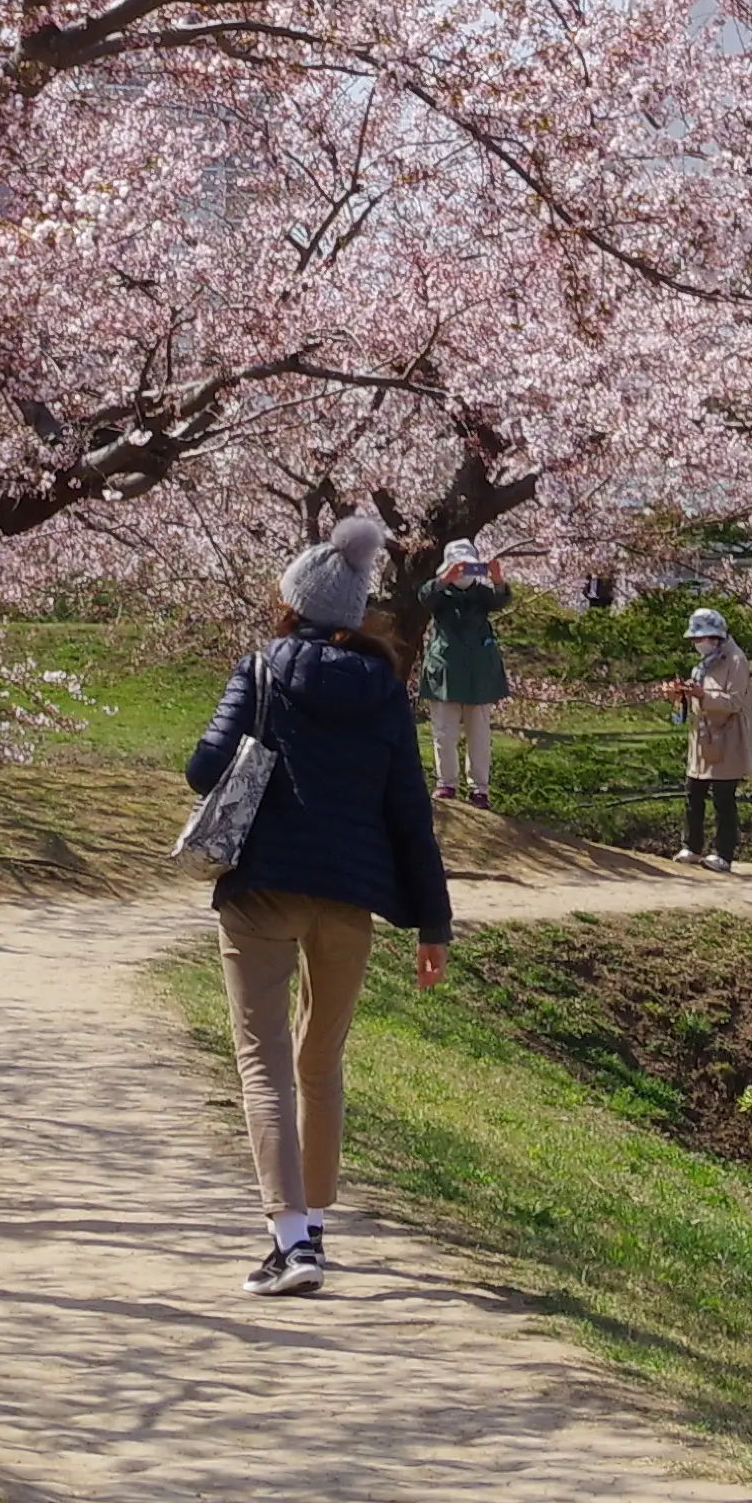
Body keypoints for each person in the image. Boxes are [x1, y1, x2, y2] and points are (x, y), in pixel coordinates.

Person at [187, 514, 456, 1296]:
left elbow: (204, 769)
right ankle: (318, 1228)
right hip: (349, 899)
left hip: (262, 888)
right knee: (320, 1061)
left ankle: (290, 1239)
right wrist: (433, 925)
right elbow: (411, 814)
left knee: (263, 1062)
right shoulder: (386, 692)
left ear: (294, 603)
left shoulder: (262, 669)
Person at [420, 538, 516, 804]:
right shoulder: (439, 594)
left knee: (480, 735)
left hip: (479, 674)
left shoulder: (481, 594)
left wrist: (497, 579)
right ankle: (447, 783)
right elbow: (425, 597)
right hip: (445, 672)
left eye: (468, 567)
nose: (463, 573)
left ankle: (479, 788)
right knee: (444, 732)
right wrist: (443, 580)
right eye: (458, 567)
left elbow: (501, 599)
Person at [670, 607, 752, 867]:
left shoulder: (735, 660)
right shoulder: (703, 665)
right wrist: (681, 694)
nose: (698, 644)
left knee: (723, 799)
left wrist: (701, 695)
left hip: (728, 737)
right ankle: (691, 847)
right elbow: (698, 695)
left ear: (715, 637)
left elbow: (735, 701)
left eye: (701, 639)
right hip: (702, 737)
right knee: (693, 792)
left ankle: (723, 855)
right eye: (695, 640)